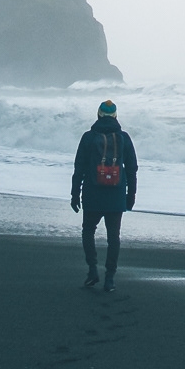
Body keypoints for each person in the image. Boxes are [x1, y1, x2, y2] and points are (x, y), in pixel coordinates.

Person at [71, 98, 137, 289]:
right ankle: (110, 278)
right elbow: (132, 169)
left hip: (92, 192)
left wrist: (75, 194)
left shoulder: (88, 137)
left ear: (98, 115)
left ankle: (92, 270)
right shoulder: (124, 138)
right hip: (116, 195)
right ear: (116, 116)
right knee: (113, 237)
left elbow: (79, 169)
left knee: (88, 231)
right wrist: (130, 196)